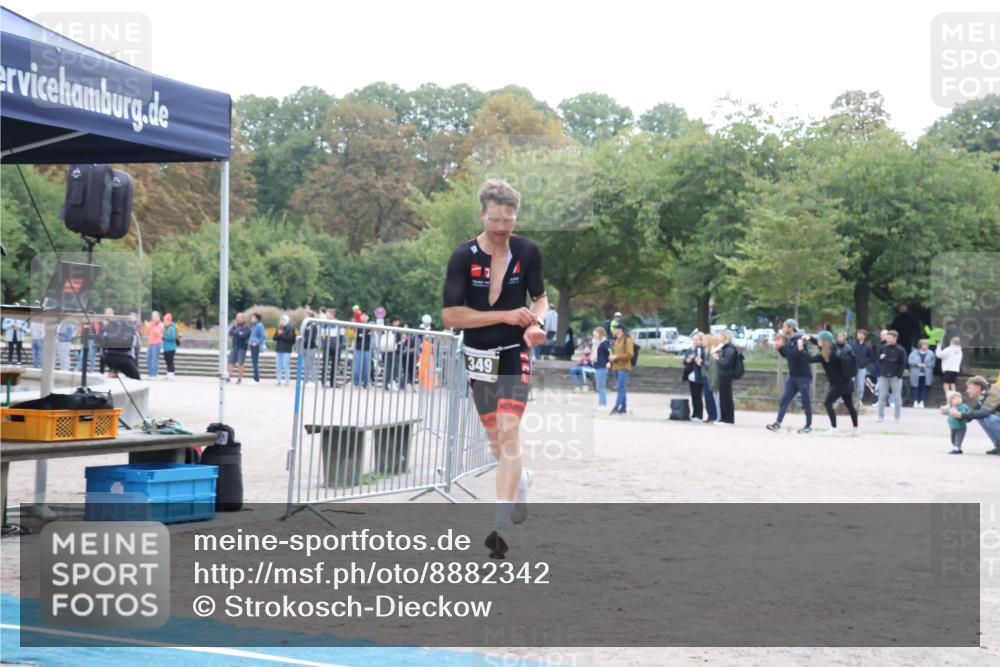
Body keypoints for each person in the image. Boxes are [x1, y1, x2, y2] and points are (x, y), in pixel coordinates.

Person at [442, 178, 547, 559]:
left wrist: (535, 324)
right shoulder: (463, 256)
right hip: (478, 357)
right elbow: (452, 315)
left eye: (510, 219)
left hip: (513, 353)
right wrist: (505, 314)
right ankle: (522, 482)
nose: (503, 228)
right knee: (495, 443)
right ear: (483, 215)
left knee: (508, 431)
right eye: (496, 220)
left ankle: (498, 527)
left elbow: (541, 299)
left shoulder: (527, 251)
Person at [805, 331, 860, 437]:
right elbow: (819, 344)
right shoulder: (834, 349)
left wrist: (802, 347)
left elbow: (808, 359)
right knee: (850, 406)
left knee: (827, 403)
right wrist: (809, 338)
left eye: (820, 340)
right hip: (847, 382)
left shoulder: (826, 356)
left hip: (839, 384)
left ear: (824, 342)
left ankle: (833, 429)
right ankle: (856, 429)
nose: (818, 341)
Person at [767, 319, 814, 434]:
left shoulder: (800, 339)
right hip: (793, 376)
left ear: (791, 328)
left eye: (784, 327)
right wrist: (779, 347)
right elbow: (786, 355)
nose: (783, 329)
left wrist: (782, 347)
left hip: (803, 376)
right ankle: (777, 424)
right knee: (784, 400)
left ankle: (808, 426)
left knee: (806, 401)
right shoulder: (790, 340)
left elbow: (794, 355)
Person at [950, 376, 1000, 455]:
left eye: (969, 388)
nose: (967, 390)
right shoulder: (984, 394)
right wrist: (957, 417)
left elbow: (985, 412)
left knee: (990, 419)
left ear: (978, 387)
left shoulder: (993, 393)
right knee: (981, 418)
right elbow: (975, 412)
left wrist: (962, 415)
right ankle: (998, 446)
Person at [876, 329, 907, 423]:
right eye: (887, 337)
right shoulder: (882, 348)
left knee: (897, 396)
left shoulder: (900, 349)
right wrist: (880, 362)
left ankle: (897, 417)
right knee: (882, 395)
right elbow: (877, 360)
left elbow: (903, 363)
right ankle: (880, 416)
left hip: (895, 376)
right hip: (883, 375)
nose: (887, 339)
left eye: (889, 337)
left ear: (895, 338)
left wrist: (899, 374)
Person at [712, 330, 739, 425]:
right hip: (722, 376)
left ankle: (728, 419)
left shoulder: (730, 349)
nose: (719, 339)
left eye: (721, 337)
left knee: (726, 397)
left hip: (726, 376)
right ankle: (724, 418)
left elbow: (725, 364)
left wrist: (717, 358)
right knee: (723, 397)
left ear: (725, 337)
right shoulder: (726, 348)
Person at [609, 323, 634, 415]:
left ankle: (617, 406)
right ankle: (623, 407)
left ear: (620, 330)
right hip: (616, 367)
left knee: (620, 387)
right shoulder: (617, 340)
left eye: (615, 329)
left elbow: (629, 354)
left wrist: (616, 357)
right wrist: (612, 358)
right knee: (621, 388)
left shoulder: (627, 339)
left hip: (624, 367)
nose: (614, 331)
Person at [682, 332, 708, 422]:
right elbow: (684, 361)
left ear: (701, 340)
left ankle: (699, 415)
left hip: (699, 376)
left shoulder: (703, 350)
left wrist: (698, 360)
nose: (695, 341)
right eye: (694, 340)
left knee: (698, 396)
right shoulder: (690, 349)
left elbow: (704, 362)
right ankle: (694, 414)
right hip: (690, 376)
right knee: (693, 396)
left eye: (697, 340)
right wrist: (687, 360)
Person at [849, 329, 875, 406]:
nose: (858, 335)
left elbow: (870, 356)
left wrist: (864, 362)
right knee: (851, 384)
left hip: (862, 368)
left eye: (860, 334)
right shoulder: (852, 344)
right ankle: (850, 399)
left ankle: (859, 399)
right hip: (852, 368)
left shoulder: (867, 346)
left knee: (860, 385)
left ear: (864, 336)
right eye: (857, 334)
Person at [908, 339, 936, 408]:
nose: (925, 346)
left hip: (926, 374)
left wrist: (926, 365)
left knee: (924, 388)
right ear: (920, 345)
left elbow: (933, 363)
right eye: (924, 344)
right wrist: (917, 364)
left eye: (927, 345)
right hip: (916, 373)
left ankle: (922, 401)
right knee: (915, 387)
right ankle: (915, 401)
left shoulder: (931, 353)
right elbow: (910, 361)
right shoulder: (914, 352)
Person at [227, 312, 251, 384]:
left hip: (242, 347)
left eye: (239, 317)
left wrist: (237, 333)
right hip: (234, 346)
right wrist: (239, 333)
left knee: (240, 363)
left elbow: (245, 335)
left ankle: (240, 379)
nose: (237, 318)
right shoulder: (235, 325)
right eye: (237, 317)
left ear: (243, 318)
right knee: (230, 362)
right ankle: (228, 377)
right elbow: (230, 333)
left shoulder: (246, 327)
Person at [352, 313, 374, 388]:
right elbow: (357, 337)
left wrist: (362, 336)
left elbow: (370, 337)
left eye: (365, 316)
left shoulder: (370, 327)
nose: (364, 317)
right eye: (363, 316)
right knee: (357, 367)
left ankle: (366, 383)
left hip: (367, 349)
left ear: (368, 317)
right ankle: (356, 383)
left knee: (366, 368)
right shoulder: (358, 326)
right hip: (358, 349)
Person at [273, 314, 296, 386]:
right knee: (278, 366)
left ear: (286, 320)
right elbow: (274, 338)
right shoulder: (279, 328)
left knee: (286, 366)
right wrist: (278, 334)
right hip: (279, 349)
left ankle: (287, 381)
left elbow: (290, 339)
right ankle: (278, 381)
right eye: (281, 320)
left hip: (286, 350)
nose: (281, 321)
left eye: (283, 320)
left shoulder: (290, 328)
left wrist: (282, 334)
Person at [592, 327, 611, 410]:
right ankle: (601, 403)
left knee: (601, 386)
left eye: (595, 333)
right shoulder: (597, 343)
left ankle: (603, 404)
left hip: (602, 366)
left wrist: (609, 362)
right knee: (599, 386)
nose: (594, 335)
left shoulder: (604, 343)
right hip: (598, 365)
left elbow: (610, 353)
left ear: (600, 333)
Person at [300, 309, 318, 383]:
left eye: (307, 315)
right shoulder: (304, 325)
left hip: (311, 347)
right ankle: (306, 380)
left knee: (311, 365)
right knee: (305, 365)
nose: (305, 316)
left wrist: (306, 340)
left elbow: (313, 336)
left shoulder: (313, 326)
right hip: (304, 347)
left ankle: (313, 380)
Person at [145, 311, 164, 380]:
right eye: (152, 316)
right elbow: (148, 333)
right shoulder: (151, 324)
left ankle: (154, 374)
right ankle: (150, 374)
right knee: (148, 359)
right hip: (150, 343)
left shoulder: (160, 324)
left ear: (158, 317)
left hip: (157, 343)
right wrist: (148, 327)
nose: (152, 317)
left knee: (154, 360)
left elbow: (157, 333)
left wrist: (151, 326)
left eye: (154, 316)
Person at [161, 313, 179, 381]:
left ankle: (171, 375)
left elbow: (173, 337)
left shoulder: (172, 328)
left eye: (165, 320)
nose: (164, 322)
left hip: (171, 348)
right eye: (163, 320)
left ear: (169, 321)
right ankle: (168, 374)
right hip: (166, 348)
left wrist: (164, 337)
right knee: (167, 362)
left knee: (170, 362)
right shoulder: (165, 328)